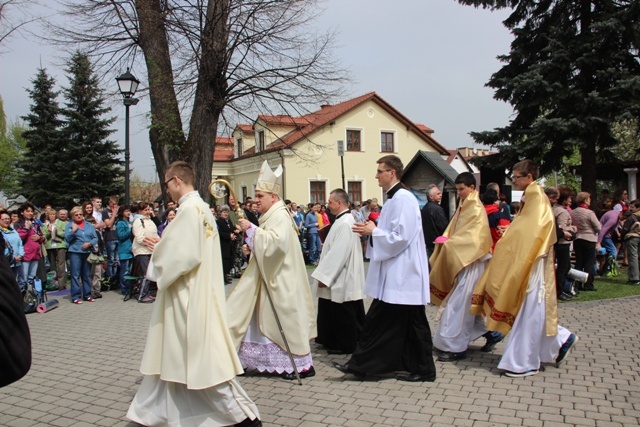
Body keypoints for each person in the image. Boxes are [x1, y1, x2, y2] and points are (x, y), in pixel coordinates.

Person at [127, 161, 261, 427]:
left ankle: (244, 419)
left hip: (187, 299)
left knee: (200, 363)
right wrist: (165, 246)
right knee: (174, 362)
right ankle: (149, 415)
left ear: (176, 180)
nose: (166, 191)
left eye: (166, 185)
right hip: (196, 293)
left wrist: (158, 250)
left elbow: (180, 257)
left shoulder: (189, 211)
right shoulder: (202, 210)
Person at [471, 160, 578, 378]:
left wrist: (508, 235)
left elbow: (533, 233)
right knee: (529, 308)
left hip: (532, 261)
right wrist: (509, 234)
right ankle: (560, 340)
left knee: (530, 307)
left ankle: (524, 361)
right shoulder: (530, 196)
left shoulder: (536, 197)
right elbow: (522, 228)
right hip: (527, 258)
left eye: (518, 176)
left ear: (529, 177)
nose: (515, 179)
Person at [333, 155, 436, 382]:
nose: (376, 175)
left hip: (404, 273)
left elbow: (402, 237)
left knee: (399, 322)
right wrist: (372, 230)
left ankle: (417, 368)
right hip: (396, 273)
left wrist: (374, 232)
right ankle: (381, 365)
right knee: (398, 323)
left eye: (380, 171)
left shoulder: (404, 200)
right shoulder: (393, 201)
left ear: (392, 173)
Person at [226, 160, 317, 381]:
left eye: (260, 196)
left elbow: (276, 245)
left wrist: (252, 230)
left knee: (283, 321)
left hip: (281, 279)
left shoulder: (280, 216)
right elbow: (267, 245)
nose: (256, 201)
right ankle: (254, 360)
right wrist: (252, 244)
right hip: (269, 277)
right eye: (256, 196)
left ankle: (299, 365)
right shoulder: (272, 215)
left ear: (273, 197)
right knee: (257, 320)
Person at [429, 173, 500, 362]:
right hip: (463, 260)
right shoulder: (464, 205)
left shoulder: (476, 208)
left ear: (472, 188)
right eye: (458, 189)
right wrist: (447, 239)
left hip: (472, 262)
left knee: (459, 306)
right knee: (468, 306)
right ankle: (492, 333)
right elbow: (455, 229)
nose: (459, 192)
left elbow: (475, 239)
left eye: (462, 189)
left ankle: (456, 347)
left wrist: (450, 243)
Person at [312, 188, 365, 355]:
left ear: (339, 203)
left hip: (341, 274)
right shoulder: (342, 220)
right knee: (334, 309)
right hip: (339, 273)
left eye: (330, 202)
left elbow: (338, 253)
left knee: (344, 311)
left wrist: (324, 276)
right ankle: (331, 339)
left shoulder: (344, 223)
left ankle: (346, 344)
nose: (328, 205)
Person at [65, 206, 99, 304]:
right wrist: (73, 231)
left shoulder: (88, 225)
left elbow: (95, 238)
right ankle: (76, 296)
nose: (79, 216)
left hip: (87, 252)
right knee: (75, 275)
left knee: (87, 274)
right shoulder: (70, 225)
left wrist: (89, 243)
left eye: (80, 214)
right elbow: (67, 238)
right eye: (76, 215)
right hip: (75, 252)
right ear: (72, 216)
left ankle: (87, 294)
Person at [570, 192, 601, 292]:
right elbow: (598, 227)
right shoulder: (589, 213)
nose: (590, 201)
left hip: (578, 238)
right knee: (589, 263)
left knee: (579, 262)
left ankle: (577, 284)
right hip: (589, 238)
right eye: (588, 199)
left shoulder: (573, 212)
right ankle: (588, 284)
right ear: (585, 200)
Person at [553, 187, 577, 300]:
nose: (570, 200)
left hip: (558, 242)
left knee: (564, 266)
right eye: (568, 198)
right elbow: (561, 227)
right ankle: (560, 290)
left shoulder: (554, 209)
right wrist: (571, 228)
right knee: (563, 267)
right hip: (563, 242)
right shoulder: (562, 212)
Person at [132, 202, 159, 303]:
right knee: (145, 274)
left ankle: (147, 293)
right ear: (140, 211)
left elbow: (155, 235)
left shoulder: (151, 221)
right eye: (145, 210)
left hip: (151, 250)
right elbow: (139, 238)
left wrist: (158, 240)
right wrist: (151, 242)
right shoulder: (138, 221)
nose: (148, 212)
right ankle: (142, 295)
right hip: (141, 251)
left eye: (149, 209)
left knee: (150, 272)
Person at [15, 203, 45, 293]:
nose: (30, 213)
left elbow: (42, 236)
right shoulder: (18, 224)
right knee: (23, 278)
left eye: (32, 211)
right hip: (25, 255)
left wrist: (39, 238)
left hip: (35, 254)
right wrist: (26, 229)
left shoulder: (35, 224)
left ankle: (31, 297)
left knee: (31, 278)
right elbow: (19, 238)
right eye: (28, 211)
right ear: (21, 212)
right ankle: (23, 298)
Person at [421, 184, 448, 260]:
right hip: (437, 244)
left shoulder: (424, 209)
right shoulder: (437, 209)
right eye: (438, 194)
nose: (440, 195)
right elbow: (444, 226)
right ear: (431, 197)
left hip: (428, 244)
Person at [482, 189, 511, 253]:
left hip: (483, 250)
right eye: (498, 200)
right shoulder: (500, 215)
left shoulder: (479, 214)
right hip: (497, 250)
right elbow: (506, 233)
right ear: (495, 202)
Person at [0, 209, 24, 285]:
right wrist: (13, 258)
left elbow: (20, 242)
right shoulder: (0, 233)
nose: (6, 221)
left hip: (18, 261)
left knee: (21, 282)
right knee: (10, 283)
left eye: (8, 219)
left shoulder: (13, 230)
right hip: (7, 262)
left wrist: (20, 254)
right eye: (4, 219)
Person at [115, 205, 134, 298]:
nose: (128, 213)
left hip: (131, 250)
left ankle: (130, 287)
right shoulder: (120, 223)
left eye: (129, 211)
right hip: (124, 250)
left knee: (130, 271)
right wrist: (130, 229)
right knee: (124, 271)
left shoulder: (129, 222)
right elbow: (121, 236)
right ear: (122, 212)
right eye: (126, 211)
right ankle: (124, 289)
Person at [216, 205, 238, 285]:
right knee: (224, 260)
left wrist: (234, 233)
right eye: (224, 212)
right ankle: (224, 276)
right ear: (221, 213)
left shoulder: (229, 221)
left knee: (230, 259)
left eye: (227, 212)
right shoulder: (219, 221)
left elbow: (231, 229)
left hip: (230, 243)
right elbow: (219, 232)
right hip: (223, 243)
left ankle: (228, 274)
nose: (226, 214)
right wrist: (228, 236)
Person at [101, 196, 120, 287]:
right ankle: (109, 278)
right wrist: (113, 214)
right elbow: (108, 224)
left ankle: (114, 279)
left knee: (116, 260)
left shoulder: (118, 211)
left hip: (117, 236)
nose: (114, 206)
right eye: (112, 204)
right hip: (110, 237)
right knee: (111, 259)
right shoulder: (105, 212)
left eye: (116, 204)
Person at [621, 200, 640, 285]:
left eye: (632, 207)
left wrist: (622, 238)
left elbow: (625, 229)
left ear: (638, 207)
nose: (630, 208)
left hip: (632, 238)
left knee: (633, 258)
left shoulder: (632, 217)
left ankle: (634, 278)